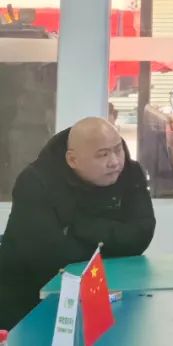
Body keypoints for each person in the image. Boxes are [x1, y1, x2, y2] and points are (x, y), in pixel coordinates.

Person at [0, 116, 156, 330]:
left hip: (101, 293)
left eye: (118, 149)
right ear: (72, 160)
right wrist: (111, 245)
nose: (115, 162)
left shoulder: (130, 172)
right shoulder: (36, 181)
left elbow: (140, 235)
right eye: (103, 154)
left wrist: (78, 226)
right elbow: (48, 256)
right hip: (26, 300)